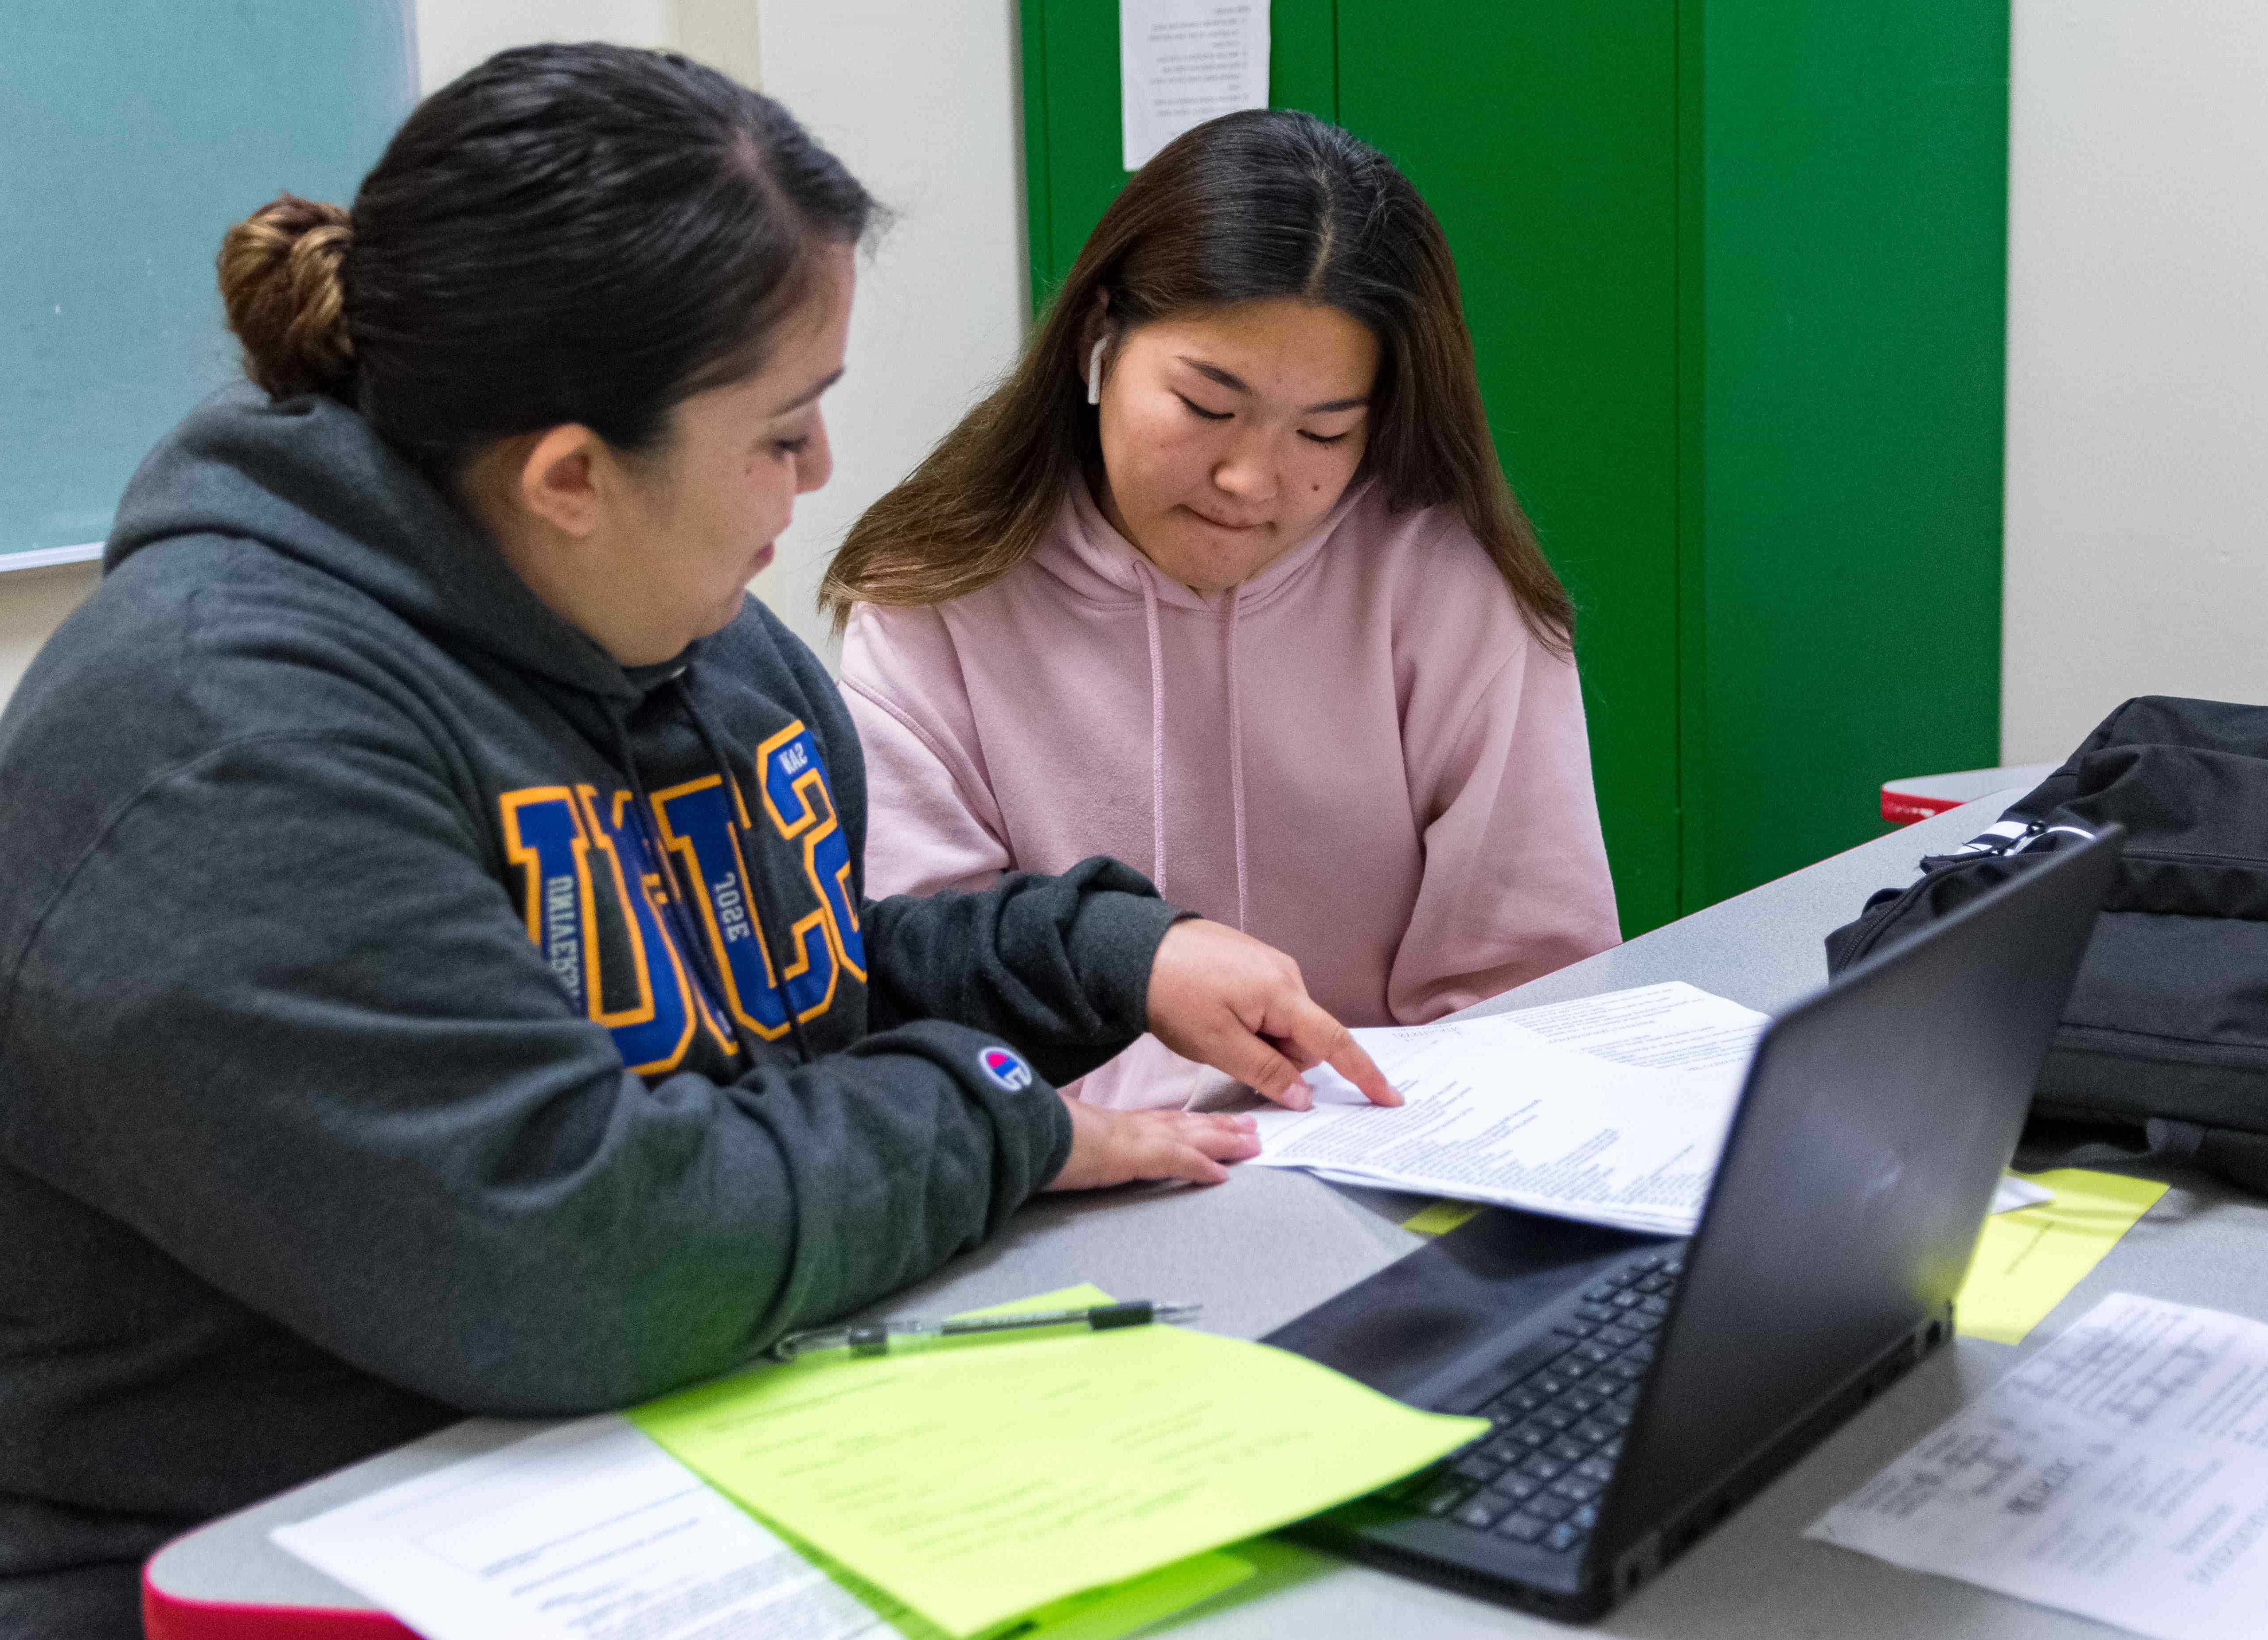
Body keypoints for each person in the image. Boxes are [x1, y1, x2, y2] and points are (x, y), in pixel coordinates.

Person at [0, 47, 1391, 1639]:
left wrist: (1094, 955)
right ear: (573, 477)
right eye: (783, 428)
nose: (816, 477)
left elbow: (764, 996)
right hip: (288, 1565)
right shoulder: (214, 746)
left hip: (660, 1462)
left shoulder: (680, 627)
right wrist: (997, 1114)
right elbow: (584, 1251)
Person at [828, 109, 1621, 1109]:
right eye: (1206, 407)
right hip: (1056, 1166)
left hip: (1390, 1148)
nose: (1250, 479)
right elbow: (925, 980)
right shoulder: (934, 596)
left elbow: (1533, 981)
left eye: (1323, 433)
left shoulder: (1443, 585)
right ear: (1095, 340)